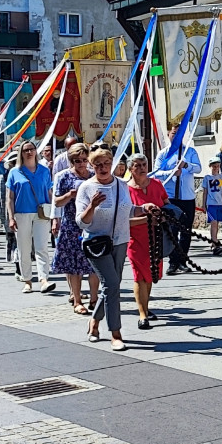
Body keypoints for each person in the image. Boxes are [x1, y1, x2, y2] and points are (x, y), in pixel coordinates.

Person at [76, 147, 158, 350]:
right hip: (96, 244)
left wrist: (144, 208)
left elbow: (128, 210)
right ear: (91, 166)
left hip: (120, 241)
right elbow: (82, 222)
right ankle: (116, 333)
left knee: (110, 286)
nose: (103, 168)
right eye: (98, 165)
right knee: (112, 285)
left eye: (106, 164)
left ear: (112, 164)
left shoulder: (121, 185)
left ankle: (94, 323)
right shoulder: (86, 188)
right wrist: (92, 206)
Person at [50, 143, 99, 314]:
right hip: (71, 224)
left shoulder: (94, 175)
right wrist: (69, 195)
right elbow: (56, 201)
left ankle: (94, 299)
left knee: (95, 263)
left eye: (84, 160)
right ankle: (77, 300)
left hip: (92, 224)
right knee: (73, 265)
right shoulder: (64, 176)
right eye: (77, 160)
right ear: (71, 161)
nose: (81, 163)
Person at [6, 141, 56, 294]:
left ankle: (44, 280)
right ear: (21, 153)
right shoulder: (15, 172)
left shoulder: (44, 170)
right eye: (26, 150)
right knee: (24, 248)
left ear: (36, 151)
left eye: (32, 149)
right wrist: (11, 217)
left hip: (42, 212)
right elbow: (10, 198)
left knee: (42, 247)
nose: (29, 152)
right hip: (22, 213)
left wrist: (54, 215)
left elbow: (49, 193)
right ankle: (27, 280)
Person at [126, 153, 169, 328]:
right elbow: (123, 219)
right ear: (130, 169)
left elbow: (167, 206)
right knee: (139, 275)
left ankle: (146, 305)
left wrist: (164, 216)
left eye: (144, 164)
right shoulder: (125, 189)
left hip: (156, 238)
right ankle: (142, 314)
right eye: (137, 165)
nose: (142, 168)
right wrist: (146, 219)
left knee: (151, 275)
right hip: (134, 238)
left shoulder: (157, 185)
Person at [154, 124, 201, 276]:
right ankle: (173, 262)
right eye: (173, 133)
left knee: (186, 231)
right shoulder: (163, 154)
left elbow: (199, 168)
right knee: (172, 231)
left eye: (179, 134)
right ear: (169, 135)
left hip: (187, 197)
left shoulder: (190, 151)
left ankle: (183, 261)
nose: (176, 136)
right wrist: (171, 172)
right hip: (171, 198)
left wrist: (186, 165)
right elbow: (157, 173)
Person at [0, 152, 20, 275]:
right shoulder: (3, 178)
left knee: (24, 242)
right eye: (12, 163)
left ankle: (22, 265)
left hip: (24, 212)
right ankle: (18, 266)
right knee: (13, 241)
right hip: (9, 215)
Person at [202, 157, 222, 255]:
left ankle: (213, 242)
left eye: (218, 166)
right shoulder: (207, 178)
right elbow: (205, 192)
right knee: (214, 223)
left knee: (217, 224)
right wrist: (203, 205)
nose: (216, 168)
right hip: (211, 204)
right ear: (210, 167)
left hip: (220, 204)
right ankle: (215, 244)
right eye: (214, 166)